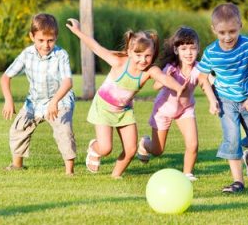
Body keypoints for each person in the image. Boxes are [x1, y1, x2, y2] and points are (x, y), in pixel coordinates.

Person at [66, 18, 186, 178]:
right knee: (106, 148)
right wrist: (78, 31)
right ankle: (95, 148)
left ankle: (115, 176)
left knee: (130, 150)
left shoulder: (150, 71)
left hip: (124, 111)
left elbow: (163, 78)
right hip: (103, 108)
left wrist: (178, 87)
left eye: (147, 56)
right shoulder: (118, 62)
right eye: (138, 55)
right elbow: (96, 47)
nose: (143, 60)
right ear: (129, 52)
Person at [197, 3, 248, 193]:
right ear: (214, 30)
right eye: (222, 32)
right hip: (225, 101)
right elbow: (202, 77)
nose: (228, 37)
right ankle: (238, 182)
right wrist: (212, 100)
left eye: (232, 31)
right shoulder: (211, 52)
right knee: (232, 139)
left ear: (240, 26)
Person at [137, 26, 219, 181]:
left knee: (193, 144)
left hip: (185, 110)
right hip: (163, 110)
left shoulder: (199, 68)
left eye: (192, 48)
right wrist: (164, 79)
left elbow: (205, 83)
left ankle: (187, 174)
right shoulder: (171, 68)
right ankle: (144, 143)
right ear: (176, 50)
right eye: (184, 49)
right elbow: (155, 86)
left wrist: (212, 100)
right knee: (158, 150)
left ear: (198, 48)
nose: (188, 53)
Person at [0, 13, 76, 175]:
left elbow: (68, 82)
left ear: (56, 37)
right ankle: (17, 165)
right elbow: (5, 77)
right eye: (41, 40)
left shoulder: (61, 55)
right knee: (19, 128)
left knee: (64, 131)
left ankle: (69, 171)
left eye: (50, 40)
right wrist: (8, 99)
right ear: (32, 36)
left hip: (60, 100)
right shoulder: (27, 54)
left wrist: (55, 101)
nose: (46, 45)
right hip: (34, 102)